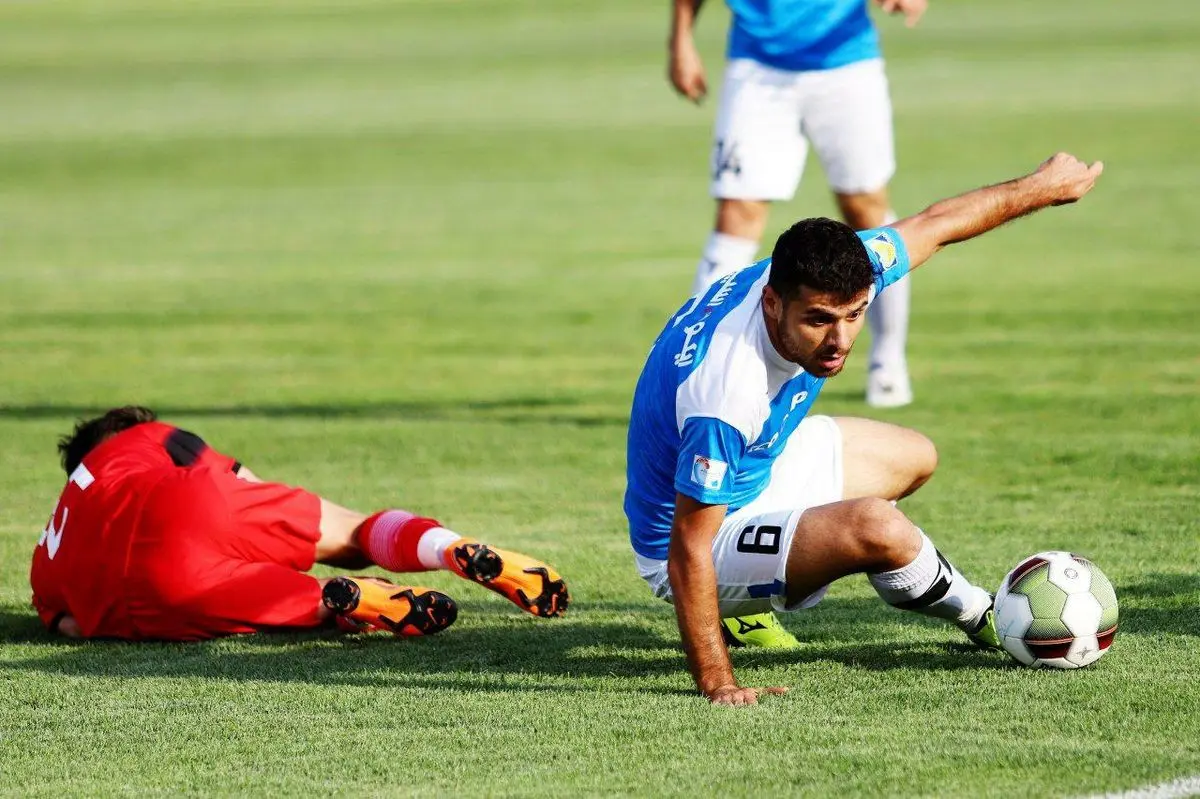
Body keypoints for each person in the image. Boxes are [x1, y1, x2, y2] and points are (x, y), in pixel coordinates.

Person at [623, 153, 1102, 705]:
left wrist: (1042, 187)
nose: (840, 341)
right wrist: (718, 682)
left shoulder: (820, 275)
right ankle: (985, 616)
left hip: (757, 466)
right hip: (692, 544)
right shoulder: (728, 392)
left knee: (913, 455)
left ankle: (753, 602)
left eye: (854, 315)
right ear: (772, 302)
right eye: (820, 320)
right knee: (879, 528)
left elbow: (934, 225)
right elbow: (688, 546)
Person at [30, 407, 569, 641]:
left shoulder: (45, 556)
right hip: (186, 504)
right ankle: (445, 548)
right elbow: (244, 482)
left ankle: (350, 601)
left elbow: (71, 628)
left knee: (306, 598)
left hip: (140, 603)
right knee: (352, 535)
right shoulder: (137, 441)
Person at [668, 0, 926, 408]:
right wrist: (681, 39)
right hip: (757, 67)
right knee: (737, 212)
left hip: (845, 63)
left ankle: (888, 360)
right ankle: (700, 366)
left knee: (865, 209)